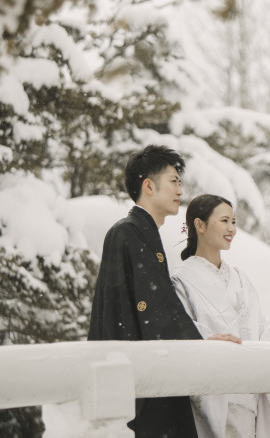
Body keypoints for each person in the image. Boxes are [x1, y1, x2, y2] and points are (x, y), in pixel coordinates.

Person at [88, 144, 202, 438]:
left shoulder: (139, 231)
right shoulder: (128, 231)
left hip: (144, 376)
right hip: (144, 379)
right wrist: (204, 347)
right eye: (174, 181)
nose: (180, 189)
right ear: (149, 186)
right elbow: (154, 308)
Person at [172, 194, 270, 438]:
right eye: (224, 221)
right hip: (211, 394)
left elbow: (260, 326)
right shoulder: (180, 282)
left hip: (248, 395)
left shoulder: (240, 278)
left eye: (234, 222)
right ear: (199, 225)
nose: (232, 229)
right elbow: (182, 333)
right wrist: (211, 342)